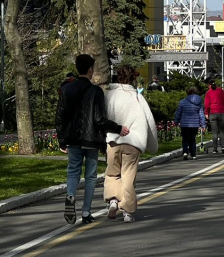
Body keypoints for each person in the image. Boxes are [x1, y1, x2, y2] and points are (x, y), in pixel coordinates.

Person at [56, 54, 127, 225]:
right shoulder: (96, 91)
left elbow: (60, 117)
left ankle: (71, 195)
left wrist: (61, 139)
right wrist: (118, 128)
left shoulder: (66, 90)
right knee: (90, 177)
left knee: (73, 171)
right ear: (90, 70)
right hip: (91, 140)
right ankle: (86, 212)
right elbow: (99, 119)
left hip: (72, 138)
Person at [104, 65, 159, 223]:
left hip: (113, 140)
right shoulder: (137, 97)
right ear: (133, 78)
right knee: (128, 176)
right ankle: (127, 211)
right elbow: (149, 121)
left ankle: (113, 200)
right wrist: (152, 144)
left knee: (112, 172)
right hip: (133, 143)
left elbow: (103, 117)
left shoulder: (110, 95)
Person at [175, 86, 206, 160]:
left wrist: (176, 121)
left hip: (185, 124)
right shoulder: (199, 102)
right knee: (192, 139)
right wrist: (203, 125)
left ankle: (185, 152)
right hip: (195, 124)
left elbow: (178, 113)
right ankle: (193, 154)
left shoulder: (182, 102)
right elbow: (201, 114)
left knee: (185, 138)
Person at [205, 78, 224, 153]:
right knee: (222, 131)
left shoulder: (208, 93)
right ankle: (223, 147)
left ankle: (215, 149)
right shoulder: (221, 91)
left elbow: (207, 105)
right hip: (221, 112)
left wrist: (206, 113)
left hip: (213, 113)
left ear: (208, 85)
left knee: (214, 132)